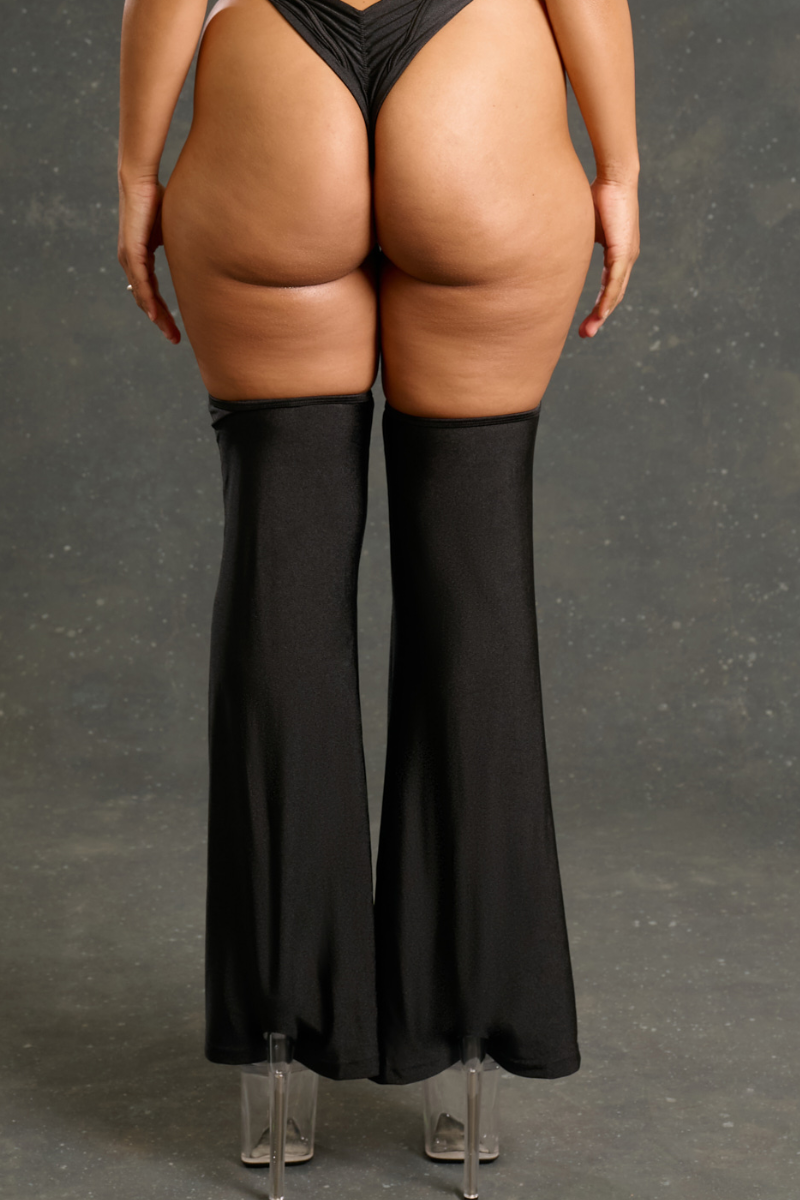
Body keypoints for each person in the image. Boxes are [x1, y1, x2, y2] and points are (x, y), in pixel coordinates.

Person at [118, 0, 639, 1095]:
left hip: (277, 81)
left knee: (281, 570)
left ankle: (281, 1039)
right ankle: (467, 1034)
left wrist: (137, 170)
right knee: (477, 584)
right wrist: (618, 166)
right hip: (475, 72)